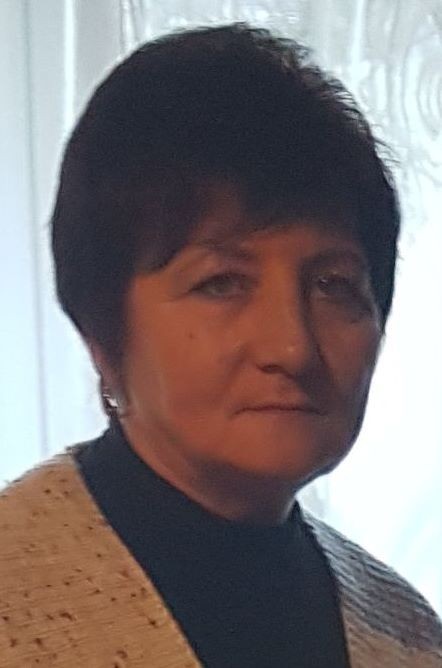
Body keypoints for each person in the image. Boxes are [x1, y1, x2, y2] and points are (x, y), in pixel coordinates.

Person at [0, 23, 440, 668]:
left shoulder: (408, 630)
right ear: (100, 329)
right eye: (221, 283)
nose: (292, 348)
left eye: (333, 285)